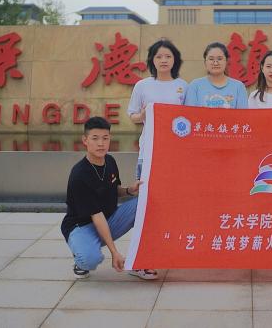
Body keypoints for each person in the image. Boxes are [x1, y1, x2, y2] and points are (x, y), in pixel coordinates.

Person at [60, 116, 157, 280]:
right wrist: (114, 253)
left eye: (105, 138)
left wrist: (129, 190)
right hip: (82, 226)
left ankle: (139, 261)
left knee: (146, 204)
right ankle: (80, 256)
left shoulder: (110, 161)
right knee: (90, 260)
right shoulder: (79, 175)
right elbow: (96, 216)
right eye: (95, 138)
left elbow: (114, 190)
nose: (101, 143)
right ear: (85, 140)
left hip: (109, 218)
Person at [128, 39, 187, 180]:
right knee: (146, 189)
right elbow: (132, 115)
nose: (163, 60)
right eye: (159, 57)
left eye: (168, 56)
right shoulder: (142, 85)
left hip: (176, 149)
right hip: (148, 148)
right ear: (152, 60)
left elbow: (189, 117)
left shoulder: (183, 86)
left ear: (175, 59)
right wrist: (142, 116)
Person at [184, 42, 248, 108]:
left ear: (226, 61)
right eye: (211, 59)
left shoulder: (238, 87)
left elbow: (243, 114)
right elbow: (189, 113)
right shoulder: (195, 86)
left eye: (219, 59)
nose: (215, 63)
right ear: (205, 62)